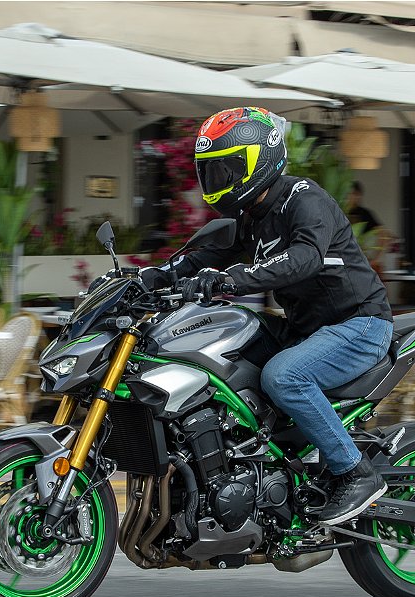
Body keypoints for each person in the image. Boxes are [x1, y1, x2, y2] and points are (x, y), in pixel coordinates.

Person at [140, 107, 395, 525]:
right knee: (226, 349)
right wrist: (154, 275)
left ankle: (355, 472)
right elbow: (209, 254)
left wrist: (230, 280)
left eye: (226, 168)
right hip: (305, 329)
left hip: (358, 325)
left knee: (283, 376)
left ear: (259, 160)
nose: (217, 179)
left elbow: (304, 257)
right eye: (212, 170)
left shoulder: (305, 199)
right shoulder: (251, 215)